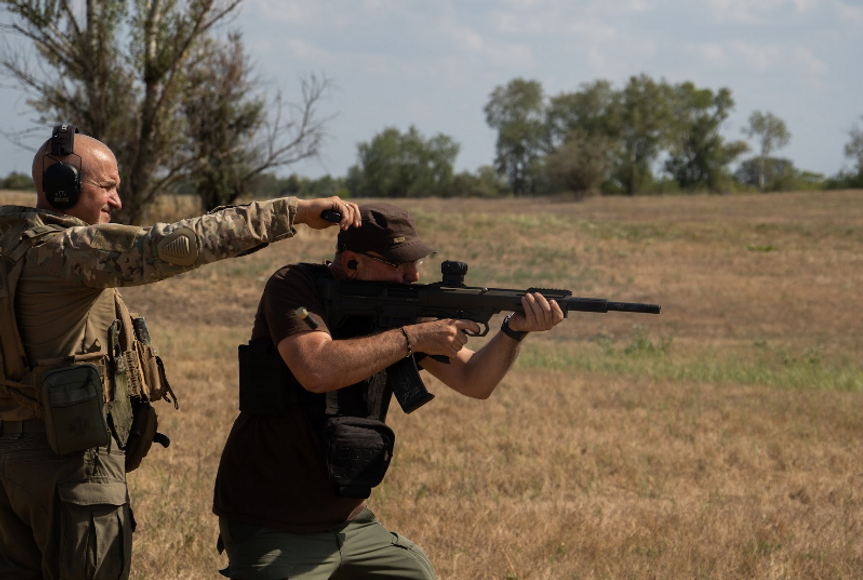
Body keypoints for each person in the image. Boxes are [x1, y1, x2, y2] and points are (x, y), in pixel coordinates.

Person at [0, 124, 360, 580]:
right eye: (107, 188)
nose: (117, 202)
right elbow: (178, 244)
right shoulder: (68, 252)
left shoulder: (9, 244)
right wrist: (294, 212)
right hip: (71, 463)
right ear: (63, 188)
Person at [212, 202, 565, 579]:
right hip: (273, 523)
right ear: (350, 263)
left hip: (351, 523)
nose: (412, 276)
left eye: (416, 263)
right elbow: (315, 368)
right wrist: (414, 337)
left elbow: (475, 381)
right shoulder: (294, 290)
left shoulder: (403, 310)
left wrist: (514, 330)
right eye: (398, 265)